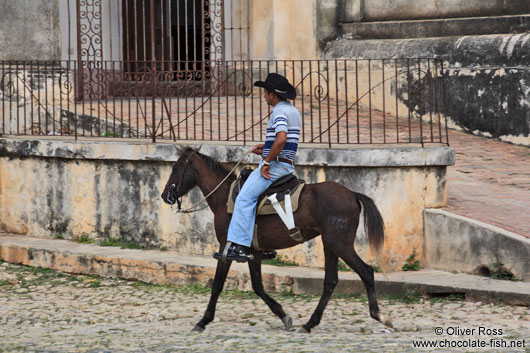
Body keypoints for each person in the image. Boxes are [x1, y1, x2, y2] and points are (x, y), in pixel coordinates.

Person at [214, 73, 302, 262]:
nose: (263, 96)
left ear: (272, 94)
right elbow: (284, 142)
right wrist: (266, 148)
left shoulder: (278, 112)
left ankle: (240, 247)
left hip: (276, 166)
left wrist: (267, 161)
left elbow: (282, 139)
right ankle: (266, 246)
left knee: (244, 197)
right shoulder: (293, 111)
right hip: (287, 164)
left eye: (264, 92)